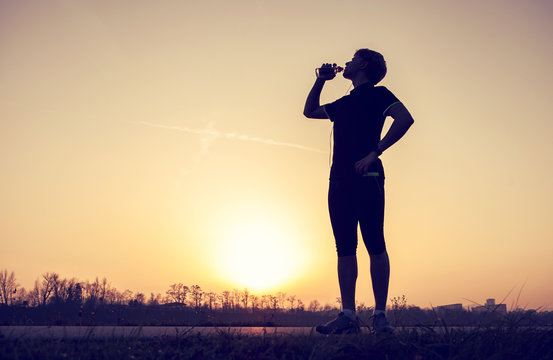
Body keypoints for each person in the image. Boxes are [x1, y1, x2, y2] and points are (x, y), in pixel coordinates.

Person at [303, 49, 414, 334]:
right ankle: (348, 316)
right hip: (338, 181)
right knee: (344, 248)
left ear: (363, 64)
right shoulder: (343, 103)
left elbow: (405, 119)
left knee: (375, 243)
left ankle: (379, 316)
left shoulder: (380, 95)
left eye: (353, 58)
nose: (347, 62)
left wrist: (375, 153)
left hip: (369, 178)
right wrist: (321, 80)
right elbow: (310, 111)